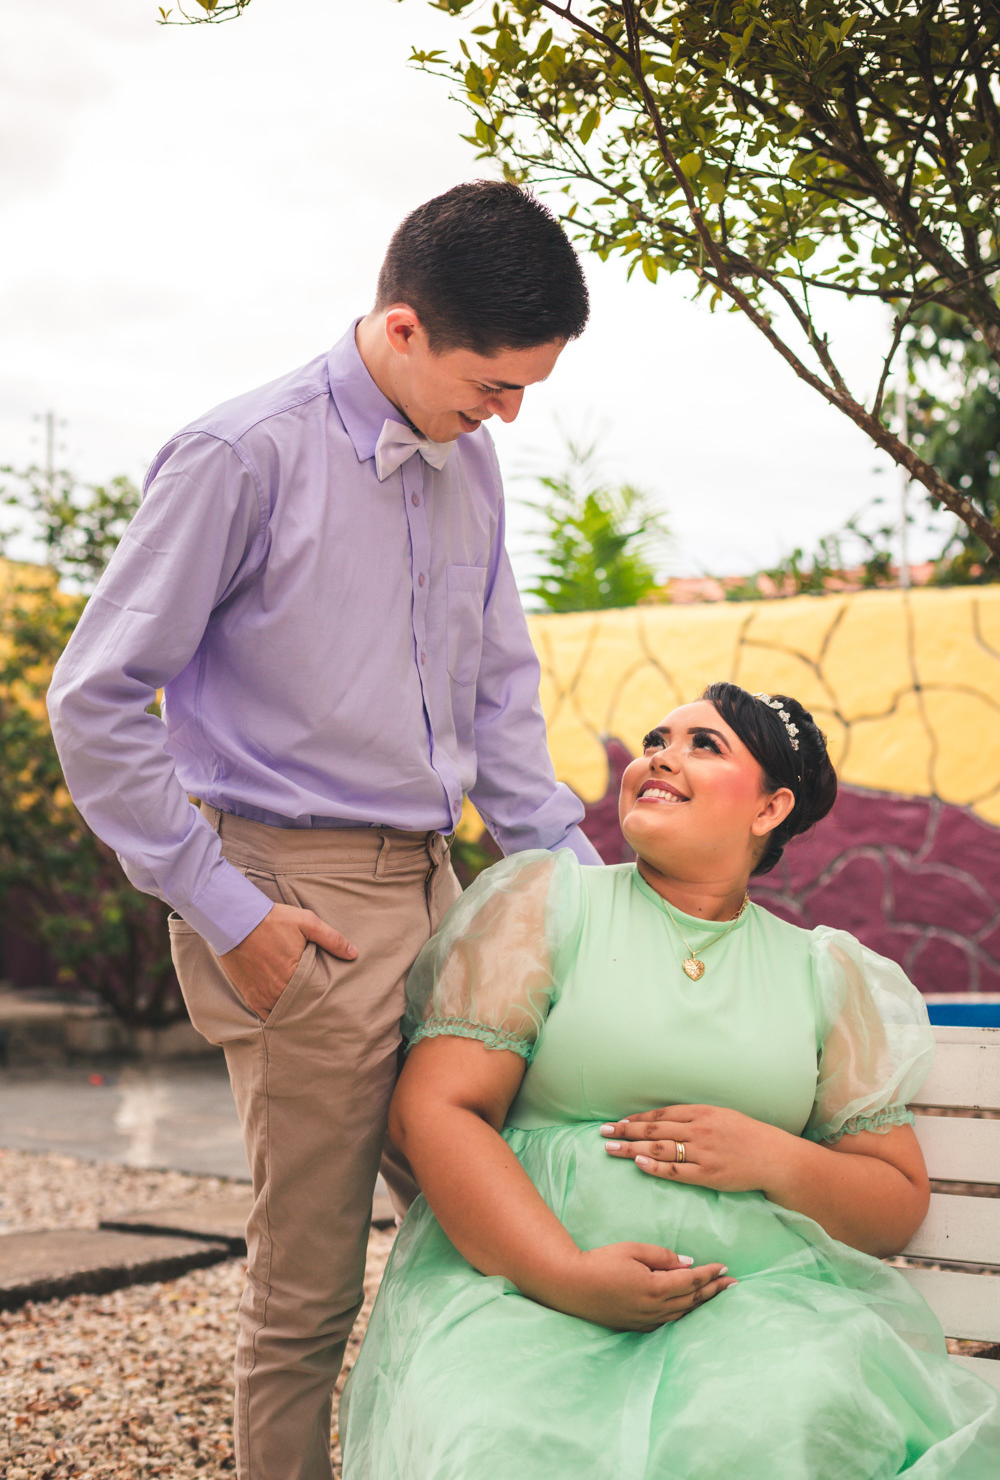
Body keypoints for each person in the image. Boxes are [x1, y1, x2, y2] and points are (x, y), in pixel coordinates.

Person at [46, 180, 601, 1480]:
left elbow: (501, 704)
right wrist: (228, 913)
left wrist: (583, 903)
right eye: (494, 383)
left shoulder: (472, 458)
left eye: (528, 388)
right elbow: (95, 701)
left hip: (442, 894)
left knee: (502, 1234)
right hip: (294, 904)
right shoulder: (240, 455)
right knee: (308, 1293)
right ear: (403, 328)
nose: (509, 415)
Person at [340, 683, 1000, 1478]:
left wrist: (772, 1156)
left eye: (703, 745)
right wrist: (566, 1275)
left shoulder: (822, 972)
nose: (659, 757)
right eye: (658, 740)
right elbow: (434, 1109)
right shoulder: (547, 906)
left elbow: (893, 1200)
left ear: (770, 808)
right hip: (522, 1288)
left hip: (757, 1302)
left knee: (787, 1418)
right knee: (500, 1441)